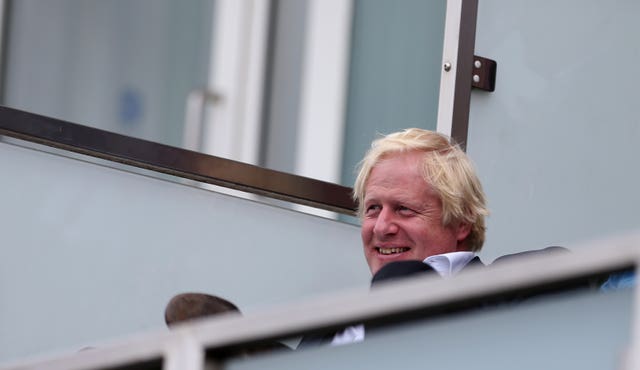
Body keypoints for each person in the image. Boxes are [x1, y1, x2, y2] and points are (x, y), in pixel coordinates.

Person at [298, 128, 489, 348]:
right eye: (373, 208)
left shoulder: (509, 307)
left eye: (403, 209)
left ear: (462, 221)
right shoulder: (326, 326)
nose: (381, 228)